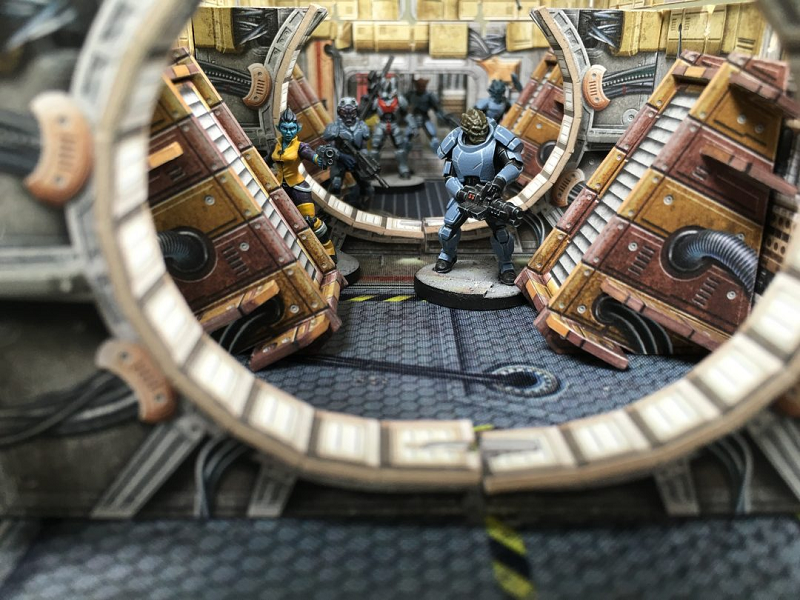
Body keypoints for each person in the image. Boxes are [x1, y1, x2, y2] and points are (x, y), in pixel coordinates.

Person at [435, 108, 523, 285]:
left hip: (488, 195)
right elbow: (448, 175)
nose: (479, 134)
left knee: (501, 232)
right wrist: (459, 192)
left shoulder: (496, 141)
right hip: (463, 196)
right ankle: (447, 255)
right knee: (447, 230)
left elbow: (514, 164)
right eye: (475, 131)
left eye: (482, 130)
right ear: (466, 129)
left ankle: (506, 264)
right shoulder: (455, 141)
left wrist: (499, 180)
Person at [271, 108, 336, 262]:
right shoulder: (276, 145)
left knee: (310, 220)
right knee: (279, 219)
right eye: (285, 129)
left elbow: (312, 156)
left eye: (292, 129)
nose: (288, 132)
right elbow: (265, 161)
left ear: (297, 129)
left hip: (298, 187)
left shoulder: (300, 146)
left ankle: (328, 248)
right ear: (280, 128)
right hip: (279, 188)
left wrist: (321, 160)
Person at [322, 97, 374, 209]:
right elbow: (329, 148)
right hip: (340, 159)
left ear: (356, 111)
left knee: (367, 186)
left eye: (352, 112)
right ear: (339, 112)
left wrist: (364, 158)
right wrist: (341, 156)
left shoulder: (362, 126)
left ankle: (363, 209)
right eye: (344, 112)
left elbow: (364, 146)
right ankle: (333, 210)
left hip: (357, 160)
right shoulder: (334, 127)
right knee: (336, 185)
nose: (348, 115)